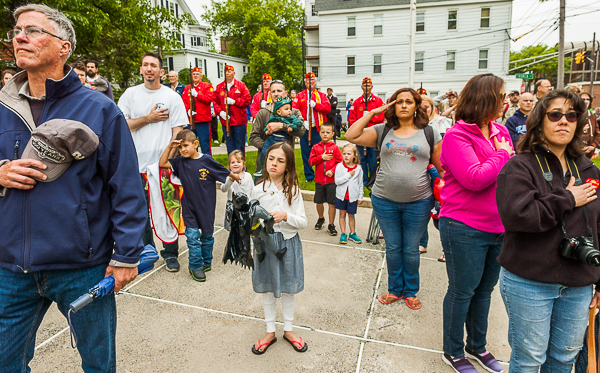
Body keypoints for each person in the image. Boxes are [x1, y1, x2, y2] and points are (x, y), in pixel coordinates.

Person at [0, 4, 146, 371]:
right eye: (17, 30)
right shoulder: (1, 106)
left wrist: (127, 255)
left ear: (63, 47)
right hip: (10, 267)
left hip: (82, 266)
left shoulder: (99, 109)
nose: (19, 36)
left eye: (33, 30)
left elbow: (126, 186)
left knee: (99, 364)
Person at [496, 89, 600, 373]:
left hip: (578, 284)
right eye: (555, 115)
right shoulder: (520, 166)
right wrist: (567, 198)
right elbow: (517, 216)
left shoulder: (588, 169)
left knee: (565, 359)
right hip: (530, 282)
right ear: (540, 121)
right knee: (529, 360)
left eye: (571, 115)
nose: (563, 121)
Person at [439, 74, 512, 373]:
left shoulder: (500, 131)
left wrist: (503, 154)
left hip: (498, 227)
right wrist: (502, 154)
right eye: (502, 95)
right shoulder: (458, 135)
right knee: (462, 291)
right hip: (463, 226)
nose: (507, 101)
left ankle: (477, 347)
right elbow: (474, 177)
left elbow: (507, 171)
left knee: (484, 291)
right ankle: (453, 351)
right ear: (486, 98)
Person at [345, 88, 443, 311]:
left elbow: (440, 166)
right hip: (384, 200)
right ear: (393, 106)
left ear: (416, 105)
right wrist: (372, 113)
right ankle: (394, 290)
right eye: (399, 102)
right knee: (393, 247)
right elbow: (351, 136)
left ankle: (410, 291)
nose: (404, 105)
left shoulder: (429, 132)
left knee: (410, 248)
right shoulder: (383, 130)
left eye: (409, 101)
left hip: (419, 201)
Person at [118, 52, 188, 272]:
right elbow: (121, 125)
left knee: (167, 209)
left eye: (153, 66)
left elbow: (178, 130)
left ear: (161, 72)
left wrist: (170, 158)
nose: (149, 69)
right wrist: (148, 119)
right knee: (139, 212)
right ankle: (147, 252)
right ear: (141, 70)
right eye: (145, 65)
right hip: (135, 164)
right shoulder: (130, 95)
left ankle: (170, 253)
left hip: (162, 166)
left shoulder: (172, 97)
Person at [251, 142, 308, 355]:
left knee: (289, 286)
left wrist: (286, 216)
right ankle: (269, 330)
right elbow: (251, 221)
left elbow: (302, 221)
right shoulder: (258, 190)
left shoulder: (293, 190)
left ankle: (289, 328)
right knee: (266, 285)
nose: (274, 163)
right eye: (271, 158)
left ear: (288, 165)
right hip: (265, 246)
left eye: (280, 160)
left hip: (288, 243)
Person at [159, 130, 239, 282]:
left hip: (207, 207)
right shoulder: (180, 162)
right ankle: (195, 266)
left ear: (196, 144)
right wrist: (170, 147)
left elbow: (225, 173)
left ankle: (206, 261)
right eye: (180, 147)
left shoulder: (207, 160)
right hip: (189, 208)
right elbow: (162, 163)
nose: (183, 150)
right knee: (193, 237)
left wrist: (235, 177)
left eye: (185, 146)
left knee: (208, 236)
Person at [249, 80, 305, 180]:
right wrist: (270, 149)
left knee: (287, 194)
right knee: (261, 194)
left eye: (279, 91)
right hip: (265, 164)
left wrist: (281, 126)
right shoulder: (262, 113)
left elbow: (301, 131)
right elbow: (253, 137)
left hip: (286, 164)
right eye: (273, 91)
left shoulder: (293, 112)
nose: (276, 94)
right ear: (270, 94)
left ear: (285, 93)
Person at [293, 72, 331, 182]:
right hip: (305, 128)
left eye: (313, 80)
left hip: (318, 129)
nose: (311, 82)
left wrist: (316, 105)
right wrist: (301, 122)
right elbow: (294, 111)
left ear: (316, 81)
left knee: (320, 152)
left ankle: (321, 174)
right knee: (305, 152)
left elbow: (327, 109)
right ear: (305, 82)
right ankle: (309, 176)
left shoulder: (322, 96)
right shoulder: (300, 96)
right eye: (308, 80)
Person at [348, 77, 385, 185]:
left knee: (373, 159)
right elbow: (352, 118)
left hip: (373, 135)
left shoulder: (378, 101)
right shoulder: (357, 102)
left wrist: (369, 117)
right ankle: (364, 179)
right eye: (365, 86)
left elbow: (382, 116)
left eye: (368, 86)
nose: (366, 88)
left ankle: (373, 180)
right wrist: (359, 125)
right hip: (360, 135)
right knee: (361, 158)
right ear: (361, 87)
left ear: (372, 87)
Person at [309, 121, 342, 235]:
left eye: (328, 132)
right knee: (319, 202)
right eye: (323, 132)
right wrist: (321, 157)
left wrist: (332, 171)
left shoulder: (335, 148)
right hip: (319, 181)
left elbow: (340, 162)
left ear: (332, 133)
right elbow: (311, 162)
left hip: (331, 181)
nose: (325, 134)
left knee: (331, 203)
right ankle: (321, 218)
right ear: (319, 133)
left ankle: (331, 224)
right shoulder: (315, 147)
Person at [214, 65, 251, 154]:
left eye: (229, 72)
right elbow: (215, 101)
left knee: (240, 146)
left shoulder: (241, 85)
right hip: (226, 122)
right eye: (226, 72)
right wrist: (220, 112)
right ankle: (232, 166)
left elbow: (247, 100)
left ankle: (241, 166)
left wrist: (235, 102)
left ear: (234, 73)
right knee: (230, 146)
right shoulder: (219, 87)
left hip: (239, 121)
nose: (227, 73)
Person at [182, 66, 216, 155]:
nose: (195, 76)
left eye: (197, 74)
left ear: (201, 76)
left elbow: (209, 99)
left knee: (205, 144)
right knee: (191, 144)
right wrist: (188, 110)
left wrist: (197, 95)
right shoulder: (187, 88)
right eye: (193, 74)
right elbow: (183, 101)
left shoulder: (207, 86)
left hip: (203, 120)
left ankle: (207, 163)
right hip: (191, 120)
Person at [335, 143, 363, 244]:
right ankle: (343, 233)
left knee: (351, 215)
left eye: (349, 154)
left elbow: (360, 184)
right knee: (342, 214)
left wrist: (360, 196)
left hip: (353, 198)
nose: (346, 156)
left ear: (354, 156)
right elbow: (337, 181)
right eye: (344, 153)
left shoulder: (358, 169)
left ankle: (352, 233)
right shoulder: (339, 166)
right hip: (341, 197)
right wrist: (348, 175)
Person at [581, 91, 600, 159]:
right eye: (583, 99)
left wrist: (593, 146)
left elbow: (597, 133)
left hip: (589, 151)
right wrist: (580, 129)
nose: (585, 101)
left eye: (587, 99)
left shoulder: (592, 117)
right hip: (577, 150)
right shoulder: (574, 115)